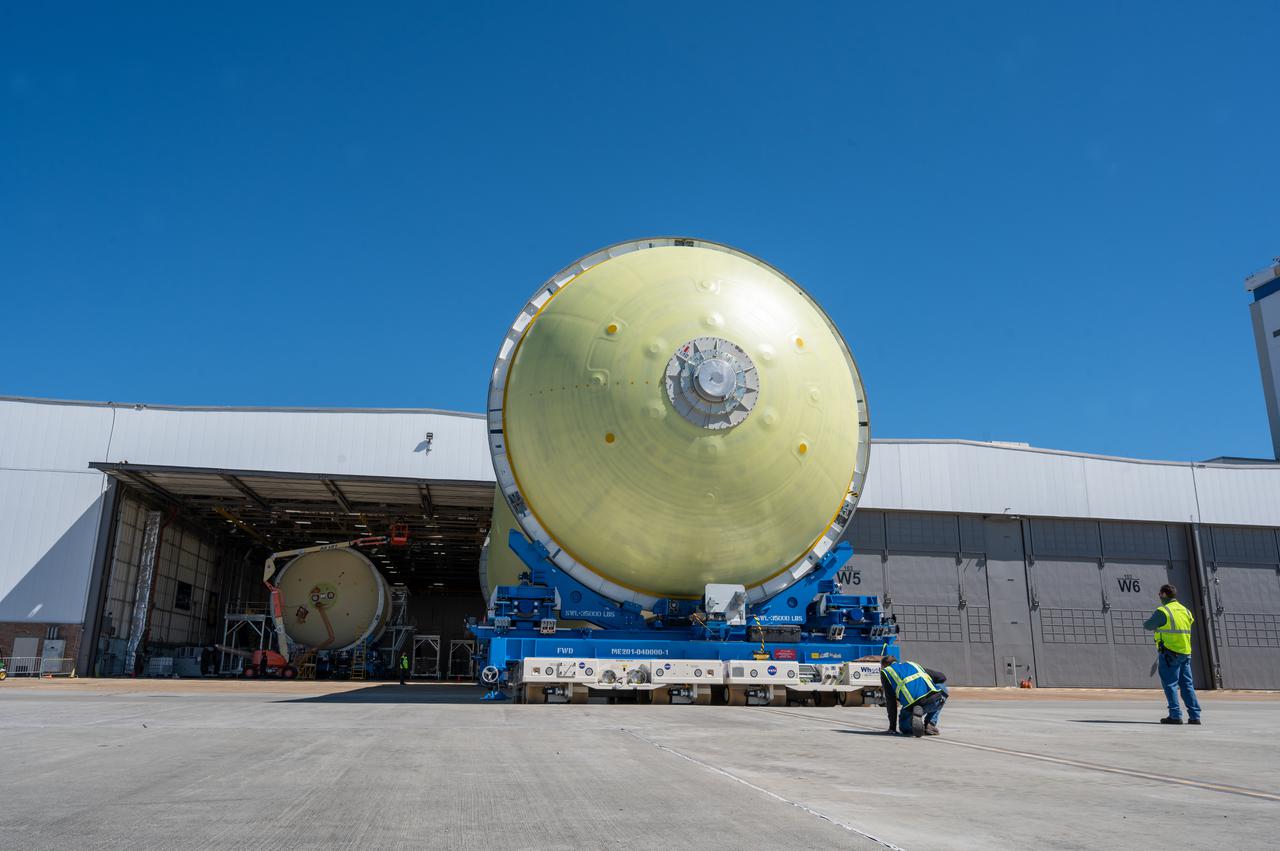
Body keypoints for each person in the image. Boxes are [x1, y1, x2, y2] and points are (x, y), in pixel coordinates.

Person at [1144, 583, 1201, 725]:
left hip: (1170, 653)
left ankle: (1175, 715)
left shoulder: (1163, 611)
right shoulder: (1186, 611)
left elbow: (1148, 625)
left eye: (1159, 594)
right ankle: (1195, 716)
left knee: (1170, 684)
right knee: (1187, 685)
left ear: (1164, 594)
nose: (1159, 597)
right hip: (1185, 653)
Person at [880, 655, 948, 737]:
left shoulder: (887, 672)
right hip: (932, 701)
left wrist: (892, 728)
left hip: (912, 706)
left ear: (884, 666)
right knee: (941, 687)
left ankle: (914, 724)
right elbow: (942, 677)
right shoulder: (912, 665)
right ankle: (930, 723)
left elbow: (891, 701)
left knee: (905, 728)